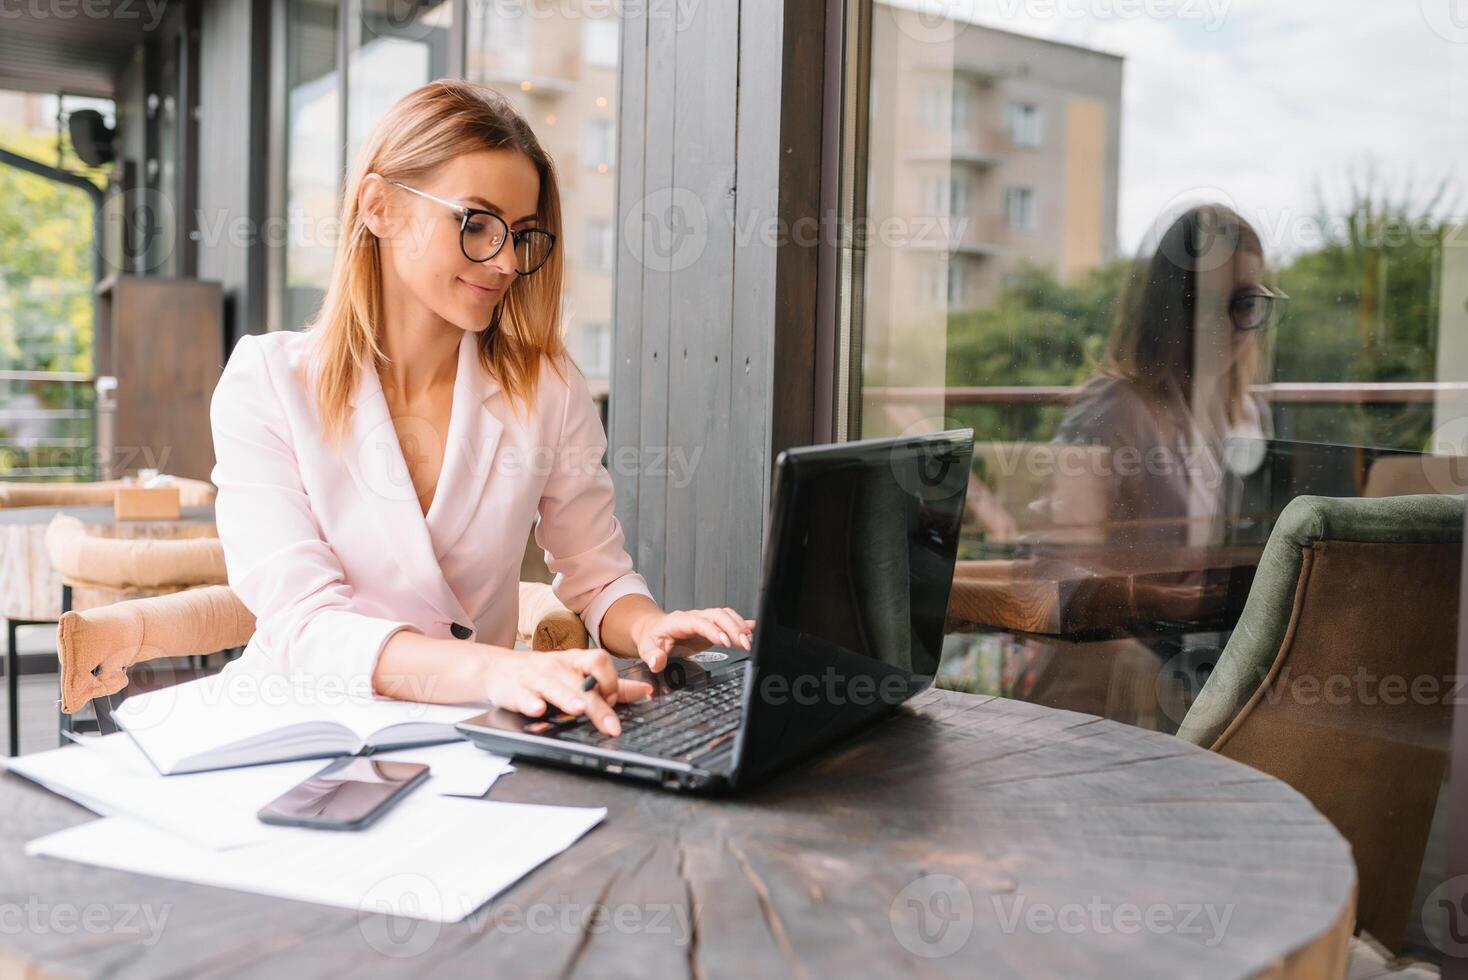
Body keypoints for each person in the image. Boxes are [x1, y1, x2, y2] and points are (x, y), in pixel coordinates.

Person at [210, 80, 754, 737]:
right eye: (475, 223)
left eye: (522, 235)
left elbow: (596, 575)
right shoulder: (267, 381)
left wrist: (649, 627)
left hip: (473, 740)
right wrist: (497, 670)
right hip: (295, 736)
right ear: (379, 207)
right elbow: (305, 625)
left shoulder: (546, 388)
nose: (504, 263)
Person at [1049, 203, 1284, 546]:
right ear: (1168, 307)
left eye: (1246, 302)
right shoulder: (1116, 411)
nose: (1224, 325)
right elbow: (1064, 561)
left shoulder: (1250, 413)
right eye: (1205, 302)